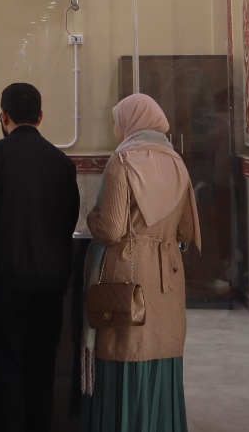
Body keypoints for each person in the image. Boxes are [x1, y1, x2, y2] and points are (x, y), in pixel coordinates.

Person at [0, 82, 80, 432]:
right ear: (40, 117)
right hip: (50, 283)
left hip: (1, 283)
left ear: (4, 116)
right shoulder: (62, 162)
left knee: (4, 367)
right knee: (41, 368)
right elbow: (69, 220)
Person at [80, 94, 201, 432]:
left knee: (124, 351)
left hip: (127, 275)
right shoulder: (177, 163)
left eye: (116, 122)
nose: (115, 129)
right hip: (167, 279)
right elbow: (187, 230)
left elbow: (111, 229)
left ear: (130, 122)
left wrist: (92, 217)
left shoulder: (122, 161)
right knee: (162, 350)